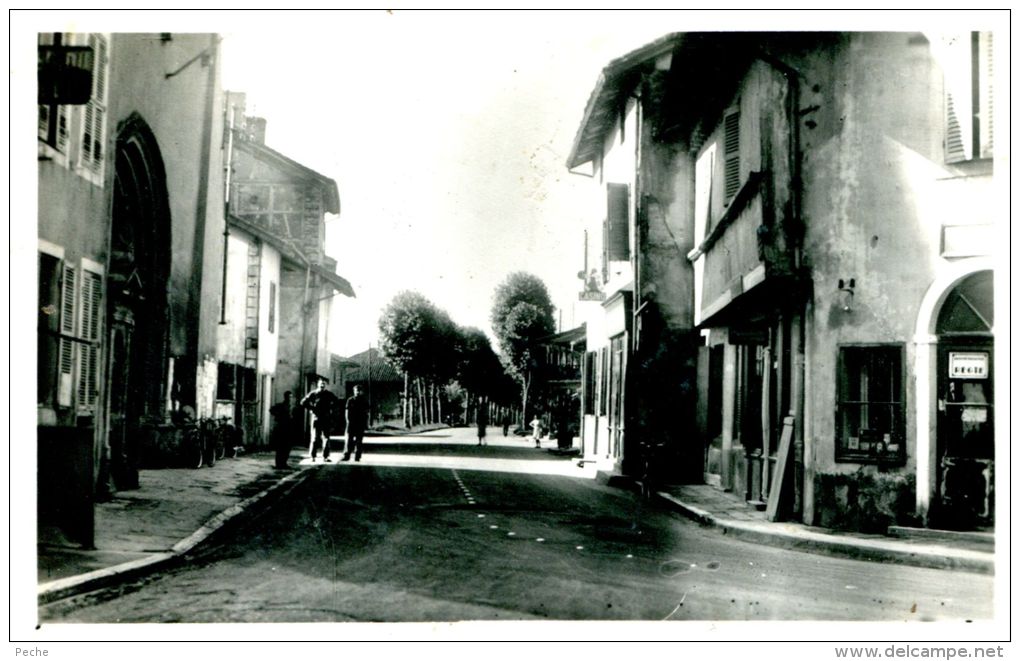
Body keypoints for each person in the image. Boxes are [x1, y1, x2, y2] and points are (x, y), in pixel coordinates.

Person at [300, 379, 340, 462]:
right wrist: (312, 408)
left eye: (324, 384)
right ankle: (312, 456)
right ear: (318, 385)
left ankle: (325, 456)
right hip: (316, 418)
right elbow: (303, 402)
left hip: (326, 418)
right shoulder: (314, 394)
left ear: (325, 385)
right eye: (321, 384)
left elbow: (336, 402)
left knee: (326, 438)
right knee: (314, 438)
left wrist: (331, 410)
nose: (322, 385)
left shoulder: (329, 394)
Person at [269, 391, 296, 469]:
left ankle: (284, 463)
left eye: (291, 397)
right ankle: (279, 464)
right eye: (289, 397)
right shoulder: (281, 405)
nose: (290, 398)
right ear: (285, 397)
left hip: (289, 429)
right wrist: (278, 417)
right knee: (280, 447)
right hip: (281, 429)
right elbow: (271, 410)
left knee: (287, 448)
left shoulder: (292, 407)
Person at [343, 384, 369, 462]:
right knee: (348, 440)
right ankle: (347, 455)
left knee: (359, 441)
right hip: (351, 423)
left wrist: (365, 423)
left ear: (361, 391)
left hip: (360, 423)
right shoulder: (350, 400)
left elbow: (366, 412)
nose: (357, 392)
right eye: (356, 391)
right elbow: (347, 411)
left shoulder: (364, 401)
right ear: (354, 391)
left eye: (359, 391)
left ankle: (357, 456)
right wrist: (348, 420)